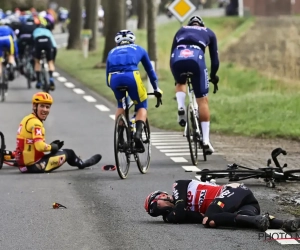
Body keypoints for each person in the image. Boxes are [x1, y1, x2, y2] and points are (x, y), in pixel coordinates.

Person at [144, 179, 300, 232]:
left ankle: (257, 220)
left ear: (162, 196)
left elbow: (179, 211)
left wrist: (173, 215)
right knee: (211, 221)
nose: (161, 211)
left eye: (158, 206)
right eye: (157, 213)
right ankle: (285, 223)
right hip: (244, 205)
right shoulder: (183, 210)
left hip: (234, 191)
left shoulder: (178, 186)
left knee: (210, 216)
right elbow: (193, 217)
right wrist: (171, 216)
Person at [4, 92, 102, 173]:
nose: (45, 110)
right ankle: (81, 163)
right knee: (69, 152)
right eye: (42, 106)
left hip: (23, 165)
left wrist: (12, 154)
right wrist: (53, 147)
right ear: (34, 106)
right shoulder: (36, 124)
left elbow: (26, 146)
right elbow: (39, 146)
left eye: (47, 107)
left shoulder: (26, 119)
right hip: (35, 166)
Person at [106, 29, 163, 153]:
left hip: (114, 78)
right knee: (142, 104)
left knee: (121, 104)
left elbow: (107, 78)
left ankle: (120, 139)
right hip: (131, 76)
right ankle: (137, 135)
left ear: (117, 43)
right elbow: (150, 72)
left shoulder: (111, 52)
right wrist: (156, 88)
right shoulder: (139, 49)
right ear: (133, 40)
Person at [170, 15, 219, 154]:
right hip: (196, 61)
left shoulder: (181, 30)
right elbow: (215, 60)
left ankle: (180, 107)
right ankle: (206, 141)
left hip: (177, 60)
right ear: (201, 25)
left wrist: (175, 75)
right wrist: (214, 75)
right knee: (202, 100)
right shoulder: (208, 32)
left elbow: (171, 53)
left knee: (180, 82)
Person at [32, 19, 57, 90]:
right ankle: (51, 77)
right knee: (50, 62)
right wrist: (53, 58)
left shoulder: (35, 31)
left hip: (38, 43)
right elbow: (54, 45)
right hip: (48, 43)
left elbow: (32, 43)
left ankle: (39, 81)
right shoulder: (48, 31)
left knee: (37, 62)